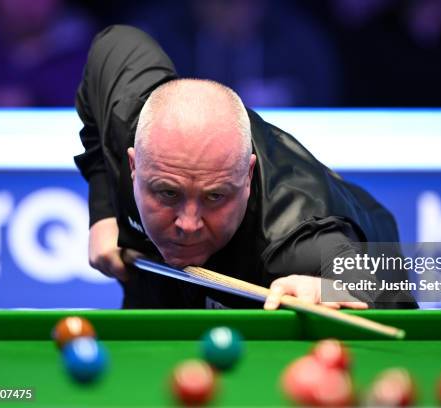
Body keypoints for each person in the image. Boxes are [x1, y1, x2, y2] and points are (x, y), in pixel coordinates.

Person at [74, 25, 417, 310]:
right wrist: (103, 211)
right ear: (133, 165)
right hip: (162, 273)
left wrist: (326, 290)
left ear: (248, 177)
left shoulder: (297, 237)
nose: (188, 224)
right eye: (167, 192)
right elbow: (114, 42)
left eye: (214, 197)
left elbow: (390, 296)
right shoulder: (128, 115)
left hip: (327, 257)